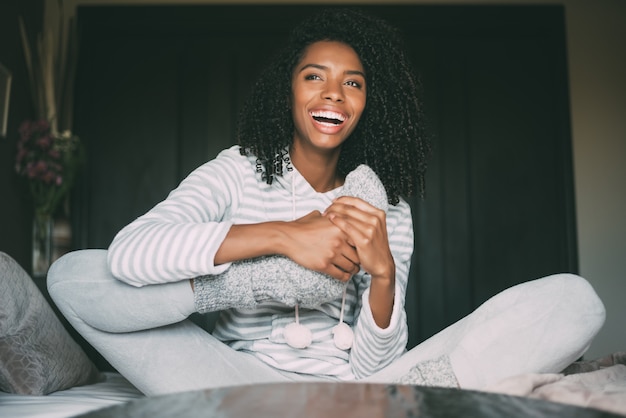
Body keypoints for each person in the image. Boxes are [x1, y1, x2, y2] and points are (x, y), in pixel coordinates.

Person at [48, 8, 605, 396]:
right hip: (231, 380)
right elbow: (128, 256)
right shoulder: (236, 171)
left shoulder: (386, 208)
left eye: (353, 83)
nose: (333, 93)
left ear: (369, 104)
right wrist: (281, 243)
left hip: (359, 391)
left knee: (574, 302)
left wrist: (382, 273)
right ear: (287, 90)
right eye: (314, 76)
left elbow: (374, 364)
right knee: (76, 277)